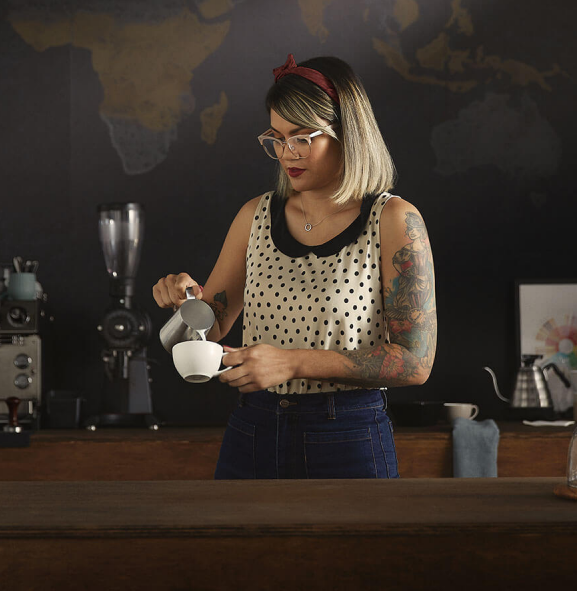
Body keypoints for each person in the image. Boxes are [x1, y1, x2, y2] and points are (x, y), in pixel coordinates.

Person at [152, 54, 438, 479]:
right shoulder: (255, 215)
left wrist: (292, 363)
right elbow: (208, 329)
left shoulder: (393, 220)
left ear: (348, 134)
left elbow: (415, 362)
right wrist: (184, 302)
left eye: (303, 137)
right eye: (277, 138)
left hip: (348, 435)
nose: (287, 153)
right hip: (253, 429)